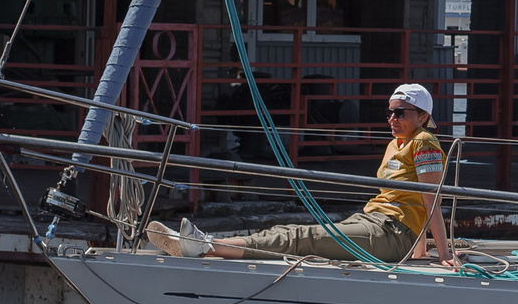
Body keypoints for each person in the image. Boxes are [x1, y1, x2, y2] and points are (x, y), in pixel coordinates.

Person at [148, 83, 451, 264]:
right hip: (373, 221)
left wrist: (444, 255)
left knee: (302, 237)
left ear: (423, 116)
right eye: (389, 112)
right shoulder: (396, 143)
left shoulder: (424, 142)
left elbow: (431, 202)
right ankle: (204, 245)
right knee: (291, 230)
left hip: (390, 233)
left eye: (401, 113)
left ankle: (206, 246)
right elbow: (410, 199)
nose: (392, 118)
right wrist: (419, 251)